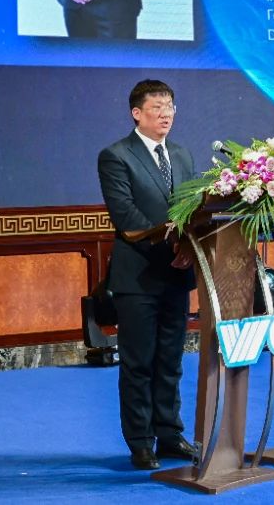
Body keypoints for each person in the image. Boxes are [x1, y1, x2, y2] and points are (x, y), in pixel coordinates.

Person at [97, 79, 197, 470]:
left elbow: (192, 212)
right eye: (157, 107)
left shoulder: (182, 155)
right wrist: (172, 249)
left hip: (177, 275)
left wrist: (189, 247)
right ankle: (140, 441)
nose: (165, 114)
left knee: (171, 361)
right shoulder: (116, 156)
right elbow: (126, 217)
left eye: (170, 106)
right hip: (138, 277)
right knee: (138, 363)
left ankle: (169, 434)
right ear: (136, 113)